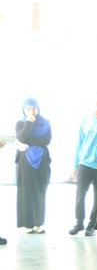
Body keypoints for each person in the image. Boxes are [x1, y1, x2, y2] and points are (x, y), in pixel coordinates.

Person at [70, 95, 97, 237]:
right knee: (80, 195)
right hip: (84, 164)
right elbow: (79, 142)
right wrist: (75, 165)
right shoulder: (86, 119)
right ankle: (79, 223)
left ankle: (92, 225)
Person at [15, 97, 52, 234]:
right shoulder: (20, 123)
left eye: (34, 108)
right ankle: (27, 224)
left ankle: (38, 223)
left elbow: (46, 140)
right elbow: (22, 137)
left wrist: (29, 142)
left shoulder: (45, 123)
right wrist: (29, 123)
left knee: (40, 191)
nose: (32, 111)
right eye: (29, 108)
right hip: (25, 161)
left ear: (38, 108)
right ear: (24, 110)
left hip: (42, 160)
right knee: (26, 191)